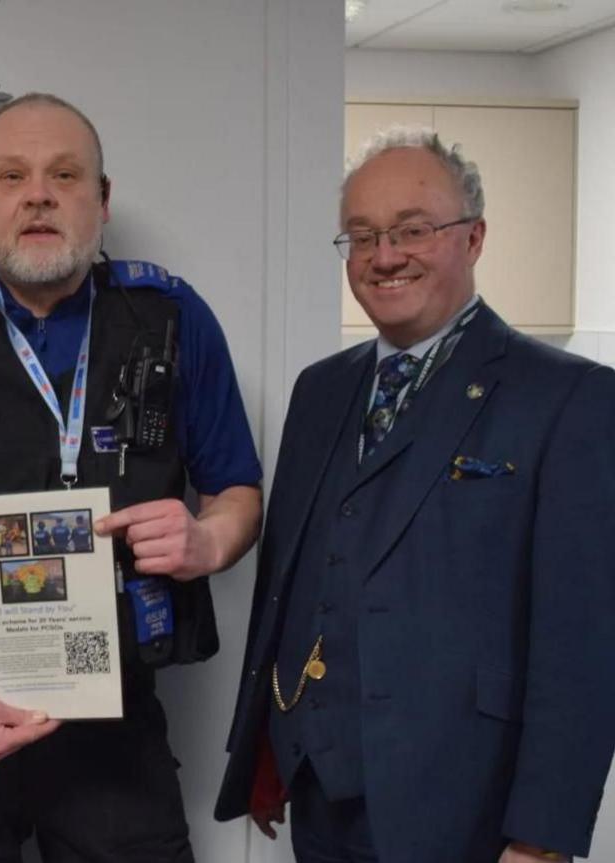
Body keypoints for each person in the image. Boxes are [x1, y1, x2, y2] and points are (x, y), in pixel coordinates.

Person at [0, 92, 263, 862]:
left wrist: (207, 541)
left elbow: (239, 497)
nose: (38, 194)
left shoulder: (171, 317)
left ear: (101, 201)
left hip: (116, 726)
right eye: (12, 176)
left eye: (65, 175)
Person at [215, 128, 615, 863]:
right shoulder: (320, 390)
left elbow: (582, 643)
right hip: (318, 790)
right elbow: (293, 582)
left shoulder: (570, 399)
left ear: (475, 237)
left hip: (466, 803)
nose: (385, 255)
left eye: (413, 230)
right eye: (362, 236)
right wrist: (267, 750)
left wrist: (541, 836)